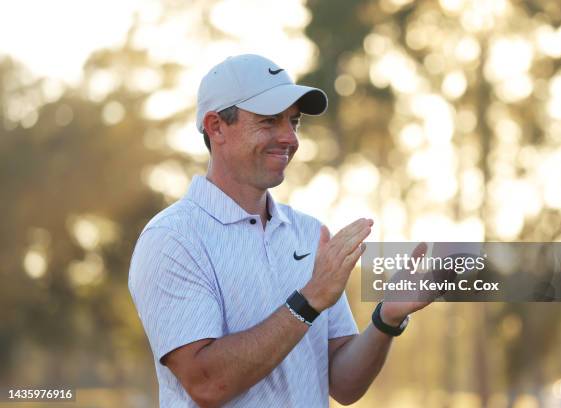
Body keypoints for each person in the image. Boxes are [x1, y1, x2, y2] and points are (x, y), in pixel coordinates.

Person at [128, 54, 430, 408]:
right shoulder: (172, 239)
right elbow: (207, 383)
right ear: (216, 127)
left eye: (294, 122)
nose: (290, 138)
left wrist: (386, 319)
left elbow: (344, 386)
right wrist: (311, 298)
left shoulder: (309, 233)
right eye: (269, 121)